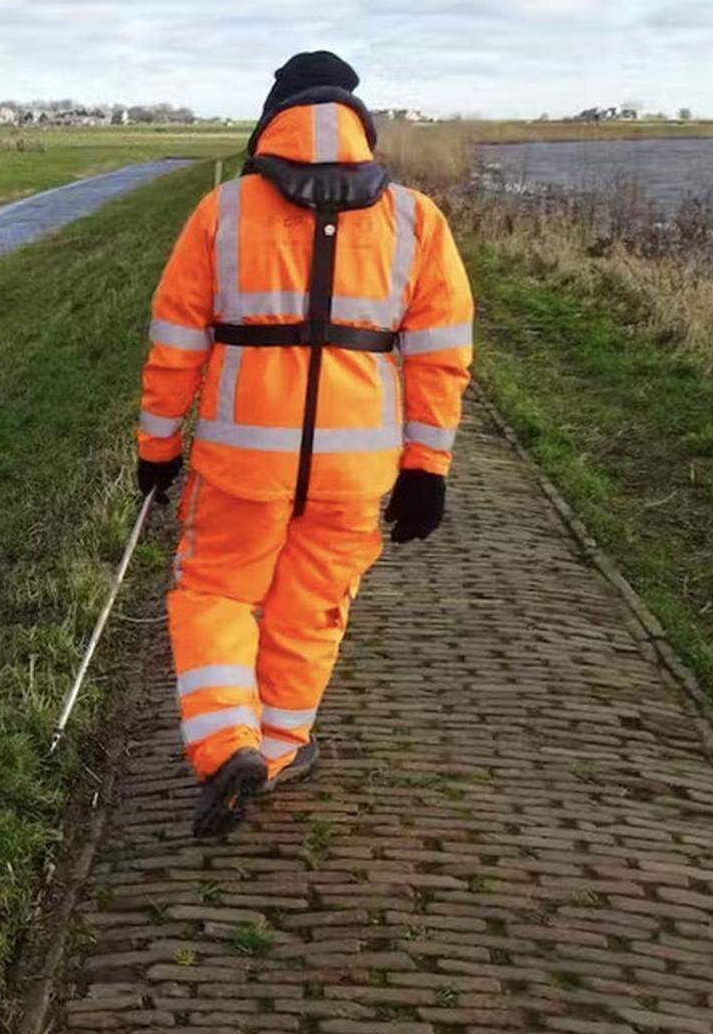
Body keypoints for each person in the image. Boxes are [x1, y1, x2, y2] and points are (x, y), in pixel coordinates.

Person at [135, 51, 474, 837]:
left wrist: (156, 447)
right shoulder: (418, 220)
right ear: (363, 127)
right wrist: (428, 468)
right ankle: (281, 750)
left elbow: (174, 344)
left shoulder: (223, 210)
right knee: (311, 609)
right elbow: (440, 355)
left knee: (214, 593)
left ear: (271, 121)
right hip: (355, 470)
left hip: (239, 461)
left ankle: (228, 748)